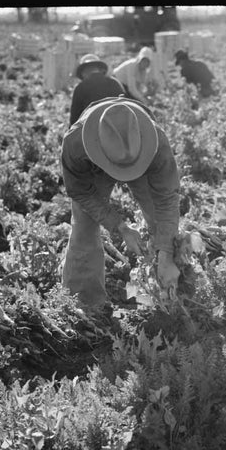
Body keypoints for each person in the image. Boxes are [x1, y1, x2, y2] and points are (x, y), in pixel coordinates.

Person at [59, 97, 181, 309]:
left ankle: (170, 290)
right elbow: (80, 190)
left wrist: (167, 253)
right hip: (95, 167)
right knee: (84, 228)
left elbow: (167, 198)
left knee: (160, 221)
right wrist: (121, 227)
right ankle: (84, 305)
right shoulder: (76, 144)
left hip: (144, 161)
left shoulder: (156, 143)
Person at [68, 54, 129, 125]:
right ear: (101, 70)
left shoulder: (80, 87)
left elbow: (74, 118)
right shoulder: (115, 83)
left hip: (90, 128)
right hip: (118, 126)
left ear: (83, 73)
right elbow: (126, 106)